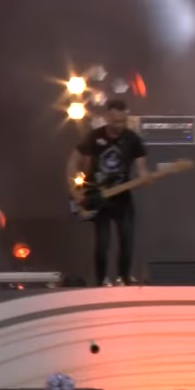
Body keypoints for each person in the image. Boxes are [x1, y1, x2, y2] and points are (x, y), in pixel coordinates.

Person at [66, 98, 149, 286]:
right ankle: (102, 280)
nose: (119, 126)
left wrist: (145, 177)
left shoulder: (132, 139)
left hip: (122, 196)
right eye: (115, 122)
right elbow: (73, 161)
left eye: (122, 121)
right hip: (98, 195)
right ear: (107, 117)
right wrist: (75, 190)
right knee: (102, 243)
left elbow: (142, 169)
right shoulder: (94, 137)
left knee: (127, 240)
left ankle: (124, 278)